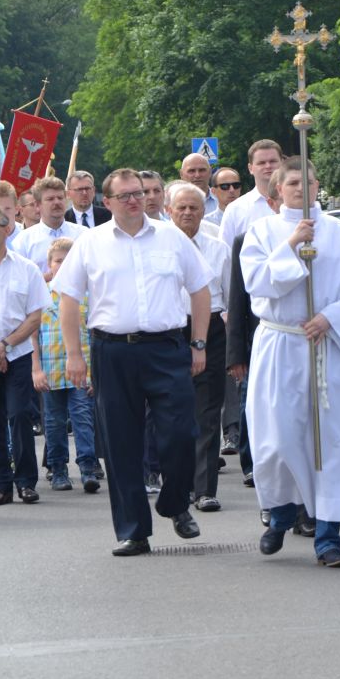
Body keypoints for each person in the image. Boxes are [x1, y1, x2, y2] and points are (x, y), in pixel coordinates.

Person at [53, 168, 212, 556]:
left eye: (138, 193)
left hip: (166, 347)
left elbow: (200, 290)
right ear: (107, 202)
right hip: (113, 351)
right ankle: (133, 530)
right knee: (121, 442)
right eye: (124, 195)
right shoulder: (91, 243)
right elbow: (68, 300)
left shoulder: (171, 238)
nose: (134, 200)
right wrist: (74, 355)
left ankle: (175, 502)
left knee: (180, 432)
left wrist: (199, 343)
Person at [240, 156, 340, 567]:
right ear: (278, 189)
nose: (302, 188)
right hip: (282, 344)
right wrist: (292, 245)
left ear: (319, 187)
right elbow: (257, 283)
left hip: (329, 345)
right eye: (293, 183)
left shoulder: (339, 232)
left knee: (332, 440)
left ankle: (328, 538)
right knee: (279, 438)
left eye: (310, 182)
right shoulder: (262, 232)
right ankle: (281, 513)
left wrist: (331, 317)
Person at [0, 205, 49, 506]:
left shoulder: (26, 268)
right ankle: (0, 484)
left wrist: (5, 345)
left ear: (6, 229)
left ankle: (26, 482)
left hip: (18, 354)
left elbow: (35, 316)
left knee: (19, 415)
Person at [225, 142, 284, 493]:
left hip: (289, 315)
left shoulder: (300, 206)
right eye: (261, 162)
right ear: (250, 167)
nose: (267, 166)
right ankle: (251, 462)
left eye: (273, 161)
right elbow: (231, 271)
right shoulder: (238, 210)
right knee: (251, 392)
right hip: (251, 312)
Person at [168, 183, 230, 513]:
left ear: (204, 211)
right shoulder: (158, 247)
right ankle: (178, 483)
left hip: (212, 329)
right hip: (169, 332)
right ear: (169, 211)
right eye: (181, 208)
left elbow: (231, 298)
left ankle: (205, 489)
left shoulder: (219, 249)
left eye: (194, 207)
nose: (188, 213)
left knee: (207, 411)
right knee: (173, 412)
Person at [31, 237, 100, 493]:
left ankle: (88, 467)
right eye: (58, 261)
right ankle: (58, 469)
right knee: (54, 421)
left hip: (81, 371)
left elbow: (96, 336)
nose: (62, 265)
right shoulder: (41, 295)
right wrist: (36, 368)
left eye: (67, 261)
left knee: (83, 418)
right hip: (51, 371)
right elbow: (33, 335)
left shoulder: (88, 295)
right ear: (49, 264)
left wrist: (95, 374)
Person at [11, 176, 85, 274]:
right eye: (50, 199)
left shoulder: (83, 234)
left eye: (60, 198)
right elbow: (18, 277)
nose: (57, 202)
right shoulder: (23, 241)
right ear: (37, 205)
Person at [180, 152, 218, 216]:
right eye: (192, 171)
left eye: (202, 170)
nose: (197, 175)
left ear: (210, 172)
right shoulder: (170, 203)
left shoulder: (221, 200)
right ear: (181, 174)